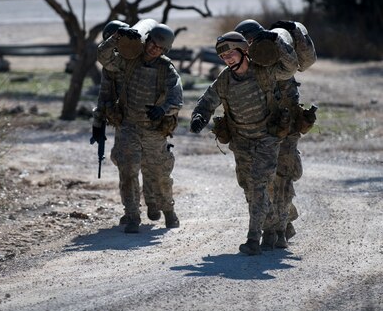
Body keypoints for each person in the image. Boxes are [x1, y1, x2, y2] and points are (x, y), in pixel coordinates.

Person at [190, 30, 299, 255]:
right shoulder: (225, 79)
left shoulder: (265, 72)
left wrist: (277, 41)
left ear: (244, 50)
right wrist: (199, 116)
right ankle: (272, 230)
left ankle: (253, 238)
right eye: (223, 56)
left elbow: (290, 67)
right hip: (241, 142)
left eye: (231, 53)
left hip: (267, 139)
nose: (227, 58)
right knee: (249, 188)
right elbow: (208, 100)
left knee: (260, 184)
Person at [91, 20, 183, 233]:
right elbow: (104, 58)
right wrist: (116, 38)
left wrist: (164, 109)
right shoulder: (128, 61)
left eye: (160, 48)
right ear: (147, 40)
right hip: (128, 126)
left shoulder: (167, 69)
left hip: (153, 130)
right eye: (152, 44)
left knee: (159, 173)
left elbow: (177, 99)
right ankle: (132, 215)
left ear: (165, 50)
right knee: (128, 171)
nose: (154, 49)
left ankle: (168, 210)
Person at [234, 19, 317, 249]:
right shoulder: (241, 65)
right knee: (255, 182)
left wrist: (283, 37)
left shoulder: (278, 58)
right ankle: (281, 221)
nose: (249, 46)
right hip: (254, 130)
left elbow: (299, 64)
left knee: (282, 178)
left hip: (284, 126)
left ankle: (277, 230)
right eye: (245, 42)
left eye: (252, 41)